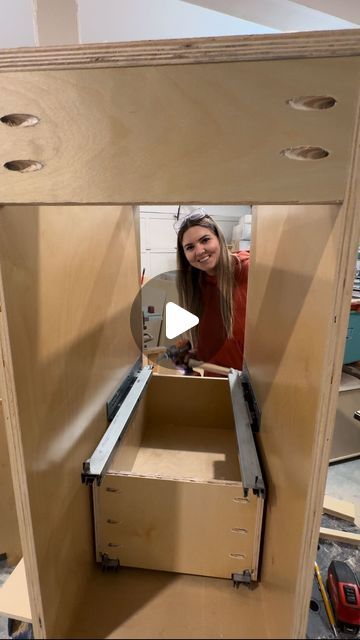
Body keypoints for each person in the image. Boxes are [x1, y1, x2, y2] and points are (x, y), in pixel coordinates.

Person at [176, 208, 249, 375]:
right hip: (216, 386)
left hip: (251, 390)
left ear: (219, 239)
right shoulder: (196, 286)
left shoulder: (248, 271)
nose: (199, 251)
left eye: (205, 240)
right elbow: (216, 347)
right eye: (190, 247)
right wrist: (186, 361)